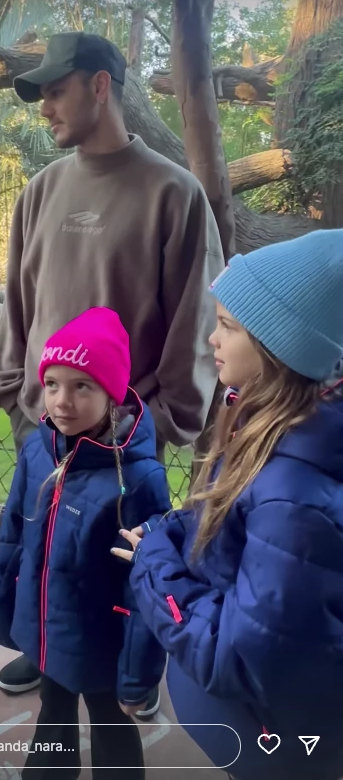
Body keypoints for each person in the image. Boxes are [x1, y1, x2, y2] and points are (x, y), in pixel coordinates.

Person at [0, 30, 225, 699]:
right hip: (44, 424)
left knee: (119, 564)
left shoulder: (173, 193)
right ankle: (46, 649)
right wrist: (17, 390)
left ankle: (129, 675)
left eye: (55, 91)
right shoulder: (40, 190)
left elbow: (196, 317)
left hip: (125, 436)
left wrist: (165, 416)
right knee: (42, 549)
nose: (44, 108)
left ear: (99, 85)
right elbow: (17, 298)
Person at [113, 229, 343, 780]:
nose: (212, 338)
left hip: (273, 744)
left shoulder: (294, 497)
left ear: (281, 348)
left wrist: (153, 563)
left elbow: (238, 656)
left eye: (228, 326)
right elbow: (234, 528)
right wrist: (171, 532)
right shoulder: (273, 430)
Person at [0, 307, 171, 779]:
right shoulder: (37, 450)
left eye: (82, 386)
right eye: (52, 384)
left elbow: (148, 580)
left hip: (102, 642)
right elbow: (14, 534)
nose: (62, 401)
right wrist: (7, 613)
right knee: (53, 712)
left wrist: (137, 673)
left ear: (112, 394)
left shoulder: (138, 477)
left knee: (110, 721)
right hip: (46, 628)